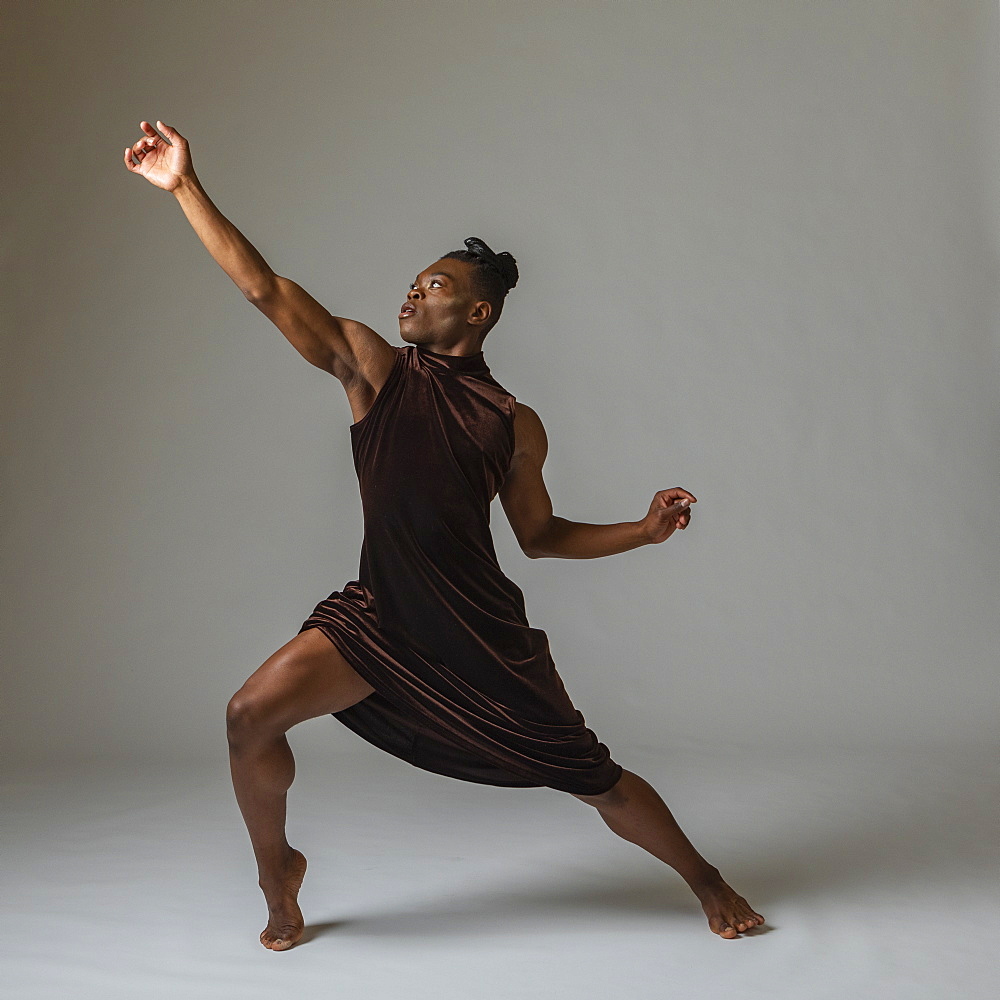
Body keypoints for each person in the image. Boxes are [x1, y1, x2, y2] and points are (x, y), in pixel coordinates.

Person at [124, 119, 765, 950]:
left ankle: (707, 879)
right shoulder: (373, 368)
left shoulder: (513, 422)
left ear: (477, 310)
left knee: (594, 777)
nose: (411, 295)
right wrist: (184, 188)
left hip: (479, 636)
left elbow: (539, 536)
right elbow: (267, 291)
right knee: (249, 715)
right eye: (414, 284)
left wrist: (642, 532)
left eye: (432, 286)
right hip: (382, 615)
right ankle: (276, 871)